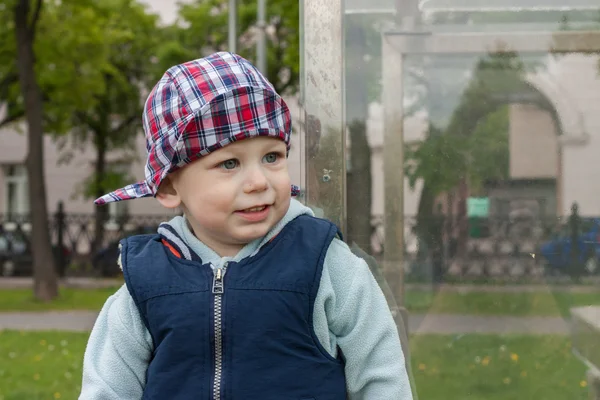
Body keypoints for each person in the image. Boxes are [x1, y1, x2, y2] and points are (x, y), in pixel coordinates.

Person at [79, 52, 412, 400]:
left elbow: (381, 375)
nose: (258, 181)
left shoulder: (325, 262)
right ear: (169, 187)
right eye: (229, 163)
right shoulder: (146, 282)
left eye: (272, 157)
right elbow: (108, 388)